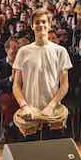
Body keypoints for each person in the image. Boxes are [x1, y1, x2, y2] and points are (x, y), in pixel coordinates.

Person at [13, 8, 72, 141]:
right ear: (32, 26)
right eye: (37, 22)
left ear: (49, 25)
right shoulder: (23, 52)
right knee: (29, 152)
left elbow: (64, 85)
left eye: (44, 22)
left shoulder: (60, 51)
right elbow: (16, 85)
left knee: (51, 152)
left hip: (52, 112)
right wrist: (24, 106)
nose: (41, 25)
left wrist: (51, 106)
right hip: (29, 111)